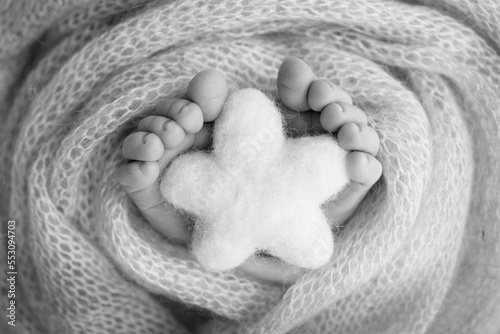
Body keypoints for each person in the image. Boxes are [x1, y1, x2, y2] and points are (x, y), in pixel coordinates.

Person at [117, 57, 383, 283]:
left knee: (180, 176)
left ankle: (180, 225)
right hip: (254, 228)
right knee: (338, 162)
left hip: (229, 231)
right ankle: (339, 194)